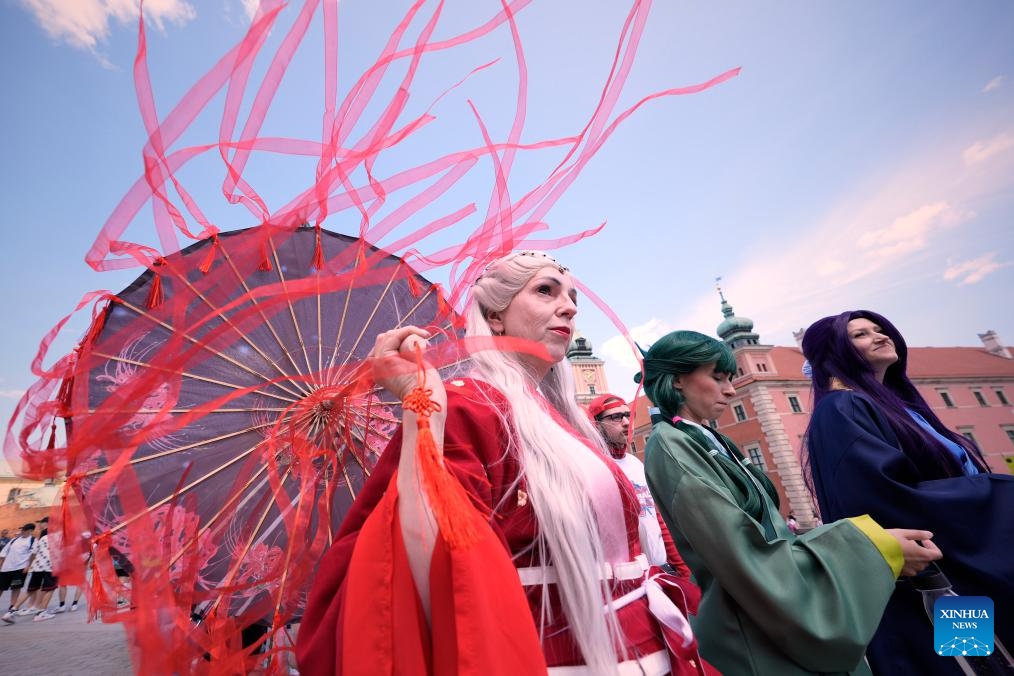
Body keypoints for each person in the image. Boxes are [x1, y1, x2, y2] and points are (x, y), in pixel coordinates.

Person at [297, 251, 708, 676]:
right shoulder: (469, 406)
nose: (568, 306)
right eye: (545, 291)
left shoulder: (567, 423)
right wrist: (425, 408)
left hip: (648, 649)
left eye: (571, 298)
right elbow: (433, 568)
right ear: (495, 315)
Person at [639, 330, 944, 676]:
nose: (731, 389)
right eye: (718, 377)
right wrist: (871, 547)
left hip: (773, 617)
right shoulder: (671, 443)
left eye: (730, 378)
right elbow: (745, 554)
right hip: (761, 629)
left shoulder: (708, 438)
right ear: (678, 379)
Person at [802, 310, 1014, 675]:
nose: (880, 336)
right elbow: (886, 498)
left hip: (954, 565)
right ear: (834, 352)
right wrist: (1001, 495)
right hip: (930, 579)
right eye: (861, 335)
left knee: (990, 663)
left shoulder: (894, 405)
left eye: (880, 330)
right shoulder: (843, 407)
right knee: (973, 664)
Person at [587, 393, 692, 578]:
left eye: (628, 415)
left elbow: (656, 518)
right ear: (596, 424)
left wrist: (682, 569)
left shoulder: (635, 463)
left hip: (663, 570)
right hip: (631, 577)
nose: (626, 422)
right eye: (616, 417)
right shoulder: (594, 467)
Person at [0, 523, 36, 623]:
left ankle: (12, 608)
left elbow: (32, 555)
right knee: (1, 587)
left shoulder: (33, 541)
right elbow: (3, 553)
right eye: (22, 530)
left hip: (19, 569)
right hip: (6, 568)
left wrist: (28, 566)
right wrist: (1, 564)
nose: (22, 532)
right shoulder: (14, 540)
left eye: (24, 530)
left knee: (16, 588)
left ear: (30, 531)